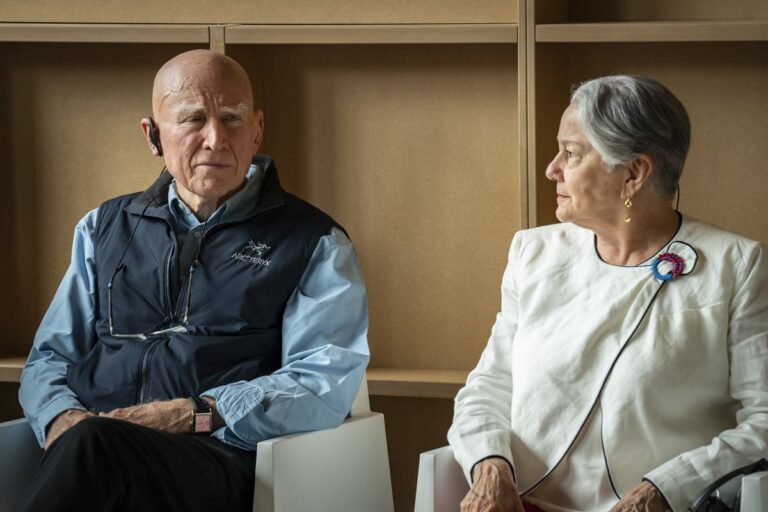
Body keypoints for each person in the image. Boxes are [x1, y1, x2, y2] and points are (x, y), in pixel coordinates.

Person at [18, 49, 369, 511]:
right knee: (91, 446)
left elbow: (324, 380)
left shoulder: (313, 241)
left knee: (95, 446)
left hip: (220, 457)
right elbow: (50, 357)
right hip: (93, 450)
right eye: (193, 119)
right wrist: (61, 418)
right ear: (153, 135)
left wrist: (195, 413)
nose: (216, 139)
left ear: (257, 129)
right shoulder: (101, 227)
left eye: (232, 118)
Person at [448, 75, 768, 512]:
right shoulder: (533, 253)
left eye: (570, 153)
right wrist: (490, 468)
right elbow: (489, 387)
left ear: (633, 173)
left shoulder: (737, 266)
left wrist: (663, 489)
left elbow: (764, 422)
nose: (552, 169)